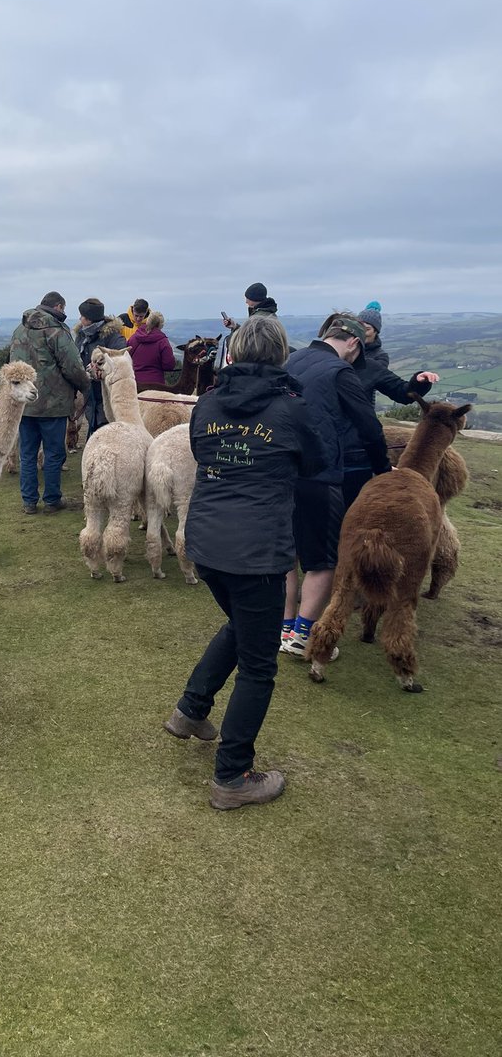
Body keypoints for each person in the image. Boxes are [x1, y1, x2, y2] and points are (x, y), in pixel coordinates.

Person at [164, 315, 326, 810]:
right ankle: (233, 776)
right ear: (281, 356)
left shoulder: (208, 403)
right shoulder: (293, 410)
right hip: (257, 551)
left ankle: (191, 710)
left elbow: (200, 449)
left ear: (231, 354)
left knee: (241, 624)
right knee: (259, 666)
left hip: (207, 544)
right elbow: (318, 463)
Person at [281, 313, 392, 659]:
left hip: (282, 471)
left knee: (288, 554)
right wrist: (383, 471)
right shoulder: (341, 372)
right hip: (320, 474)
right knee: (322, 560)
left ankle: (282, 628)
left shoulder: (292, 360)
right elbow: (369, 427)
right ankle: (302, 635)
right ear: (354, 343)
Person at [341, 302, 440, 507]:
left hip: (357, 434)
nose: (362, 331)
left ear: (375, 332)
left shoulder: (375, 361)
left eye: (367, 327)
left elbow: (400, 390)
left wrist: (419, 382)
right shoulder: (333, 358)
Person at [9, 291, 90, 513]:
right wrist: (85, 386)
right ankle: (52, 500)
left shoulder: (19, 330)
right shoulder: (57, 331)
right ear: (59, 307)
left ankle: (29, 502)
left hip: (24, 404)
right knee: (54, 453)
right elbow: (73, 366)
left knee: (27, 453)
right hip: (53, 404)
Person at [73, 298, 127, 437]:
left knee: (107, 430)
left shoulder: (113, 338)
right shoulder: (81, 336)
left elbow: (120, 361)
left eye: (83, 316)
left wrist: (100, 370)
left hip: (107, 394)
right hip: (89, 394)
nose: (80, 318)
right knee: (93, 424)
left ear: (90, 319)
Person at [127, 310, 176, 385]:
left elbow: (126, 357)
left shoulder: (134, 338)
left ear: (147, 321)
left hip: (134, 383)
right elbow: (168, 365)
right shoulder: (163, 341)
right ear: (161, 325)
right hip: (155, 385)